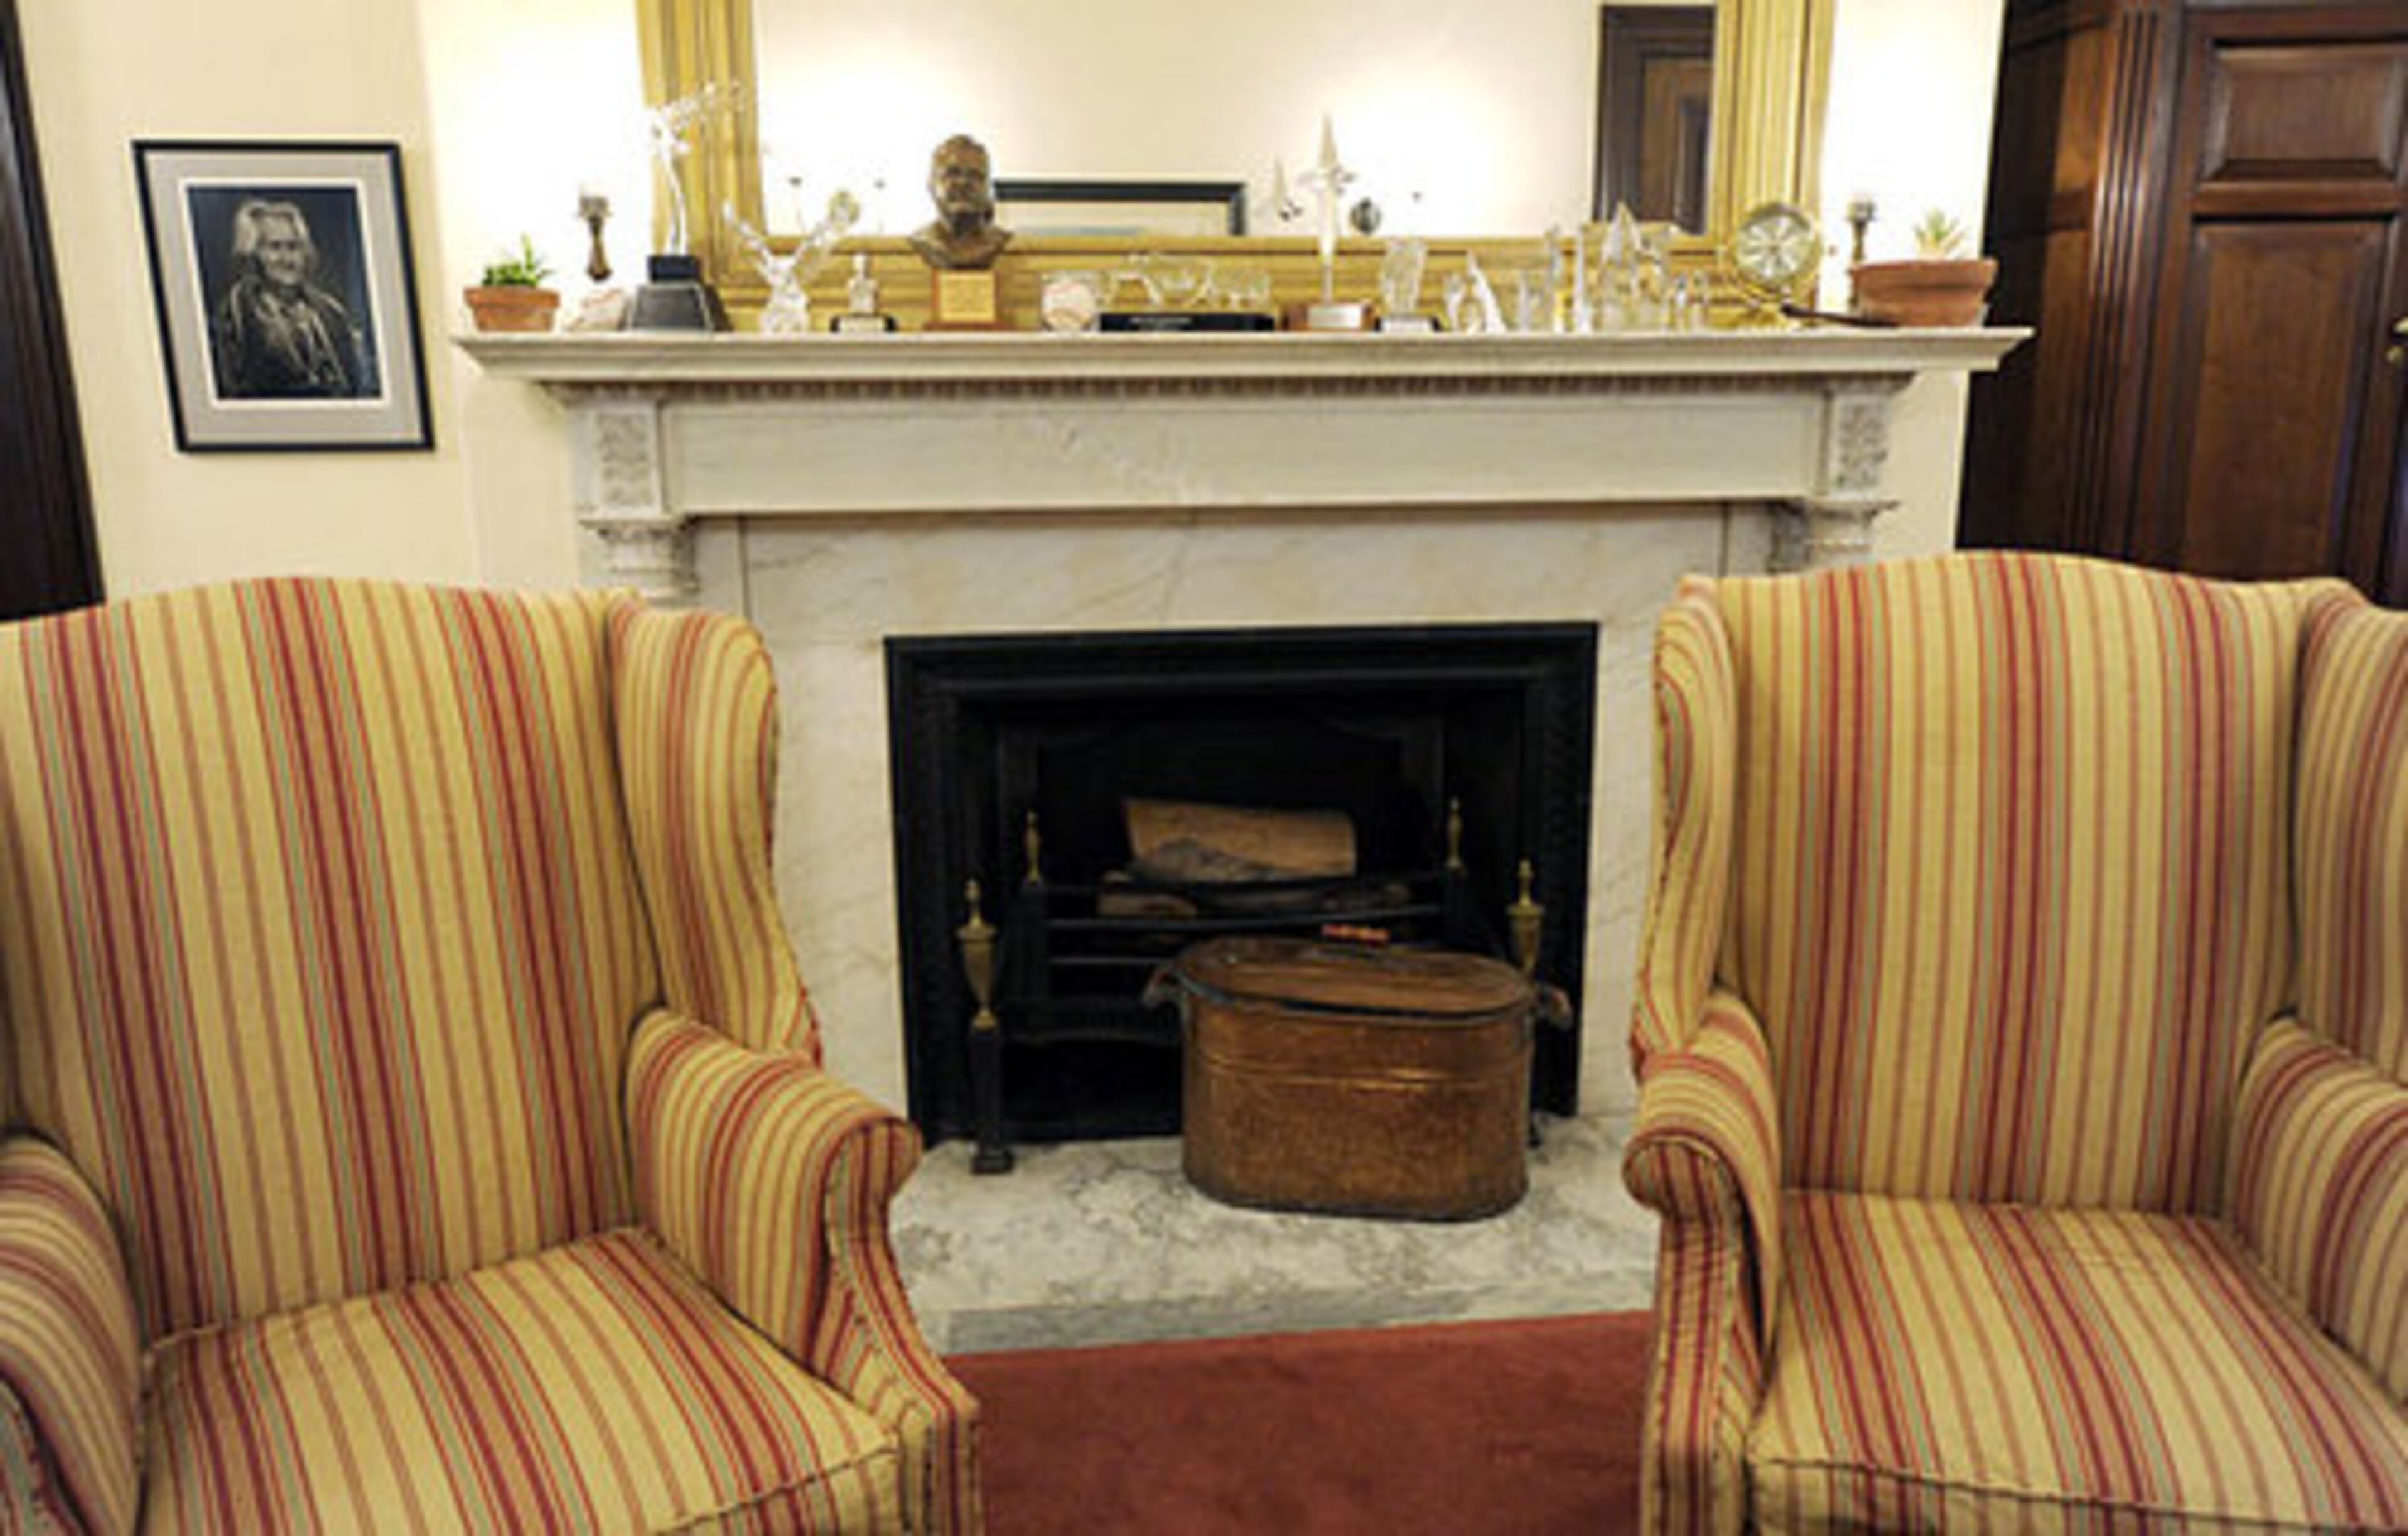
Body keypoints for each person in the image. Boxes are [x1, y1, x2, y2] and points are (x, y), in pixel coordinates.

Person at [209, 199, 372, 399]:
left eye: (294, 247)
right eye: (275, 247)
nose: (287, 259)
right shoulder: (234, 317)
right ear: (253, 254)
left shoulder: (332, 312)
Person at [907, 134, 1012, 271]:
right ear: (931, 185)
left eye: (975, 175)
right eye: (952, 173)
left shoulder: (1003, 242)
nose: (964, 183)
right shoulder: (920, 241)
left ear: (988, 188)